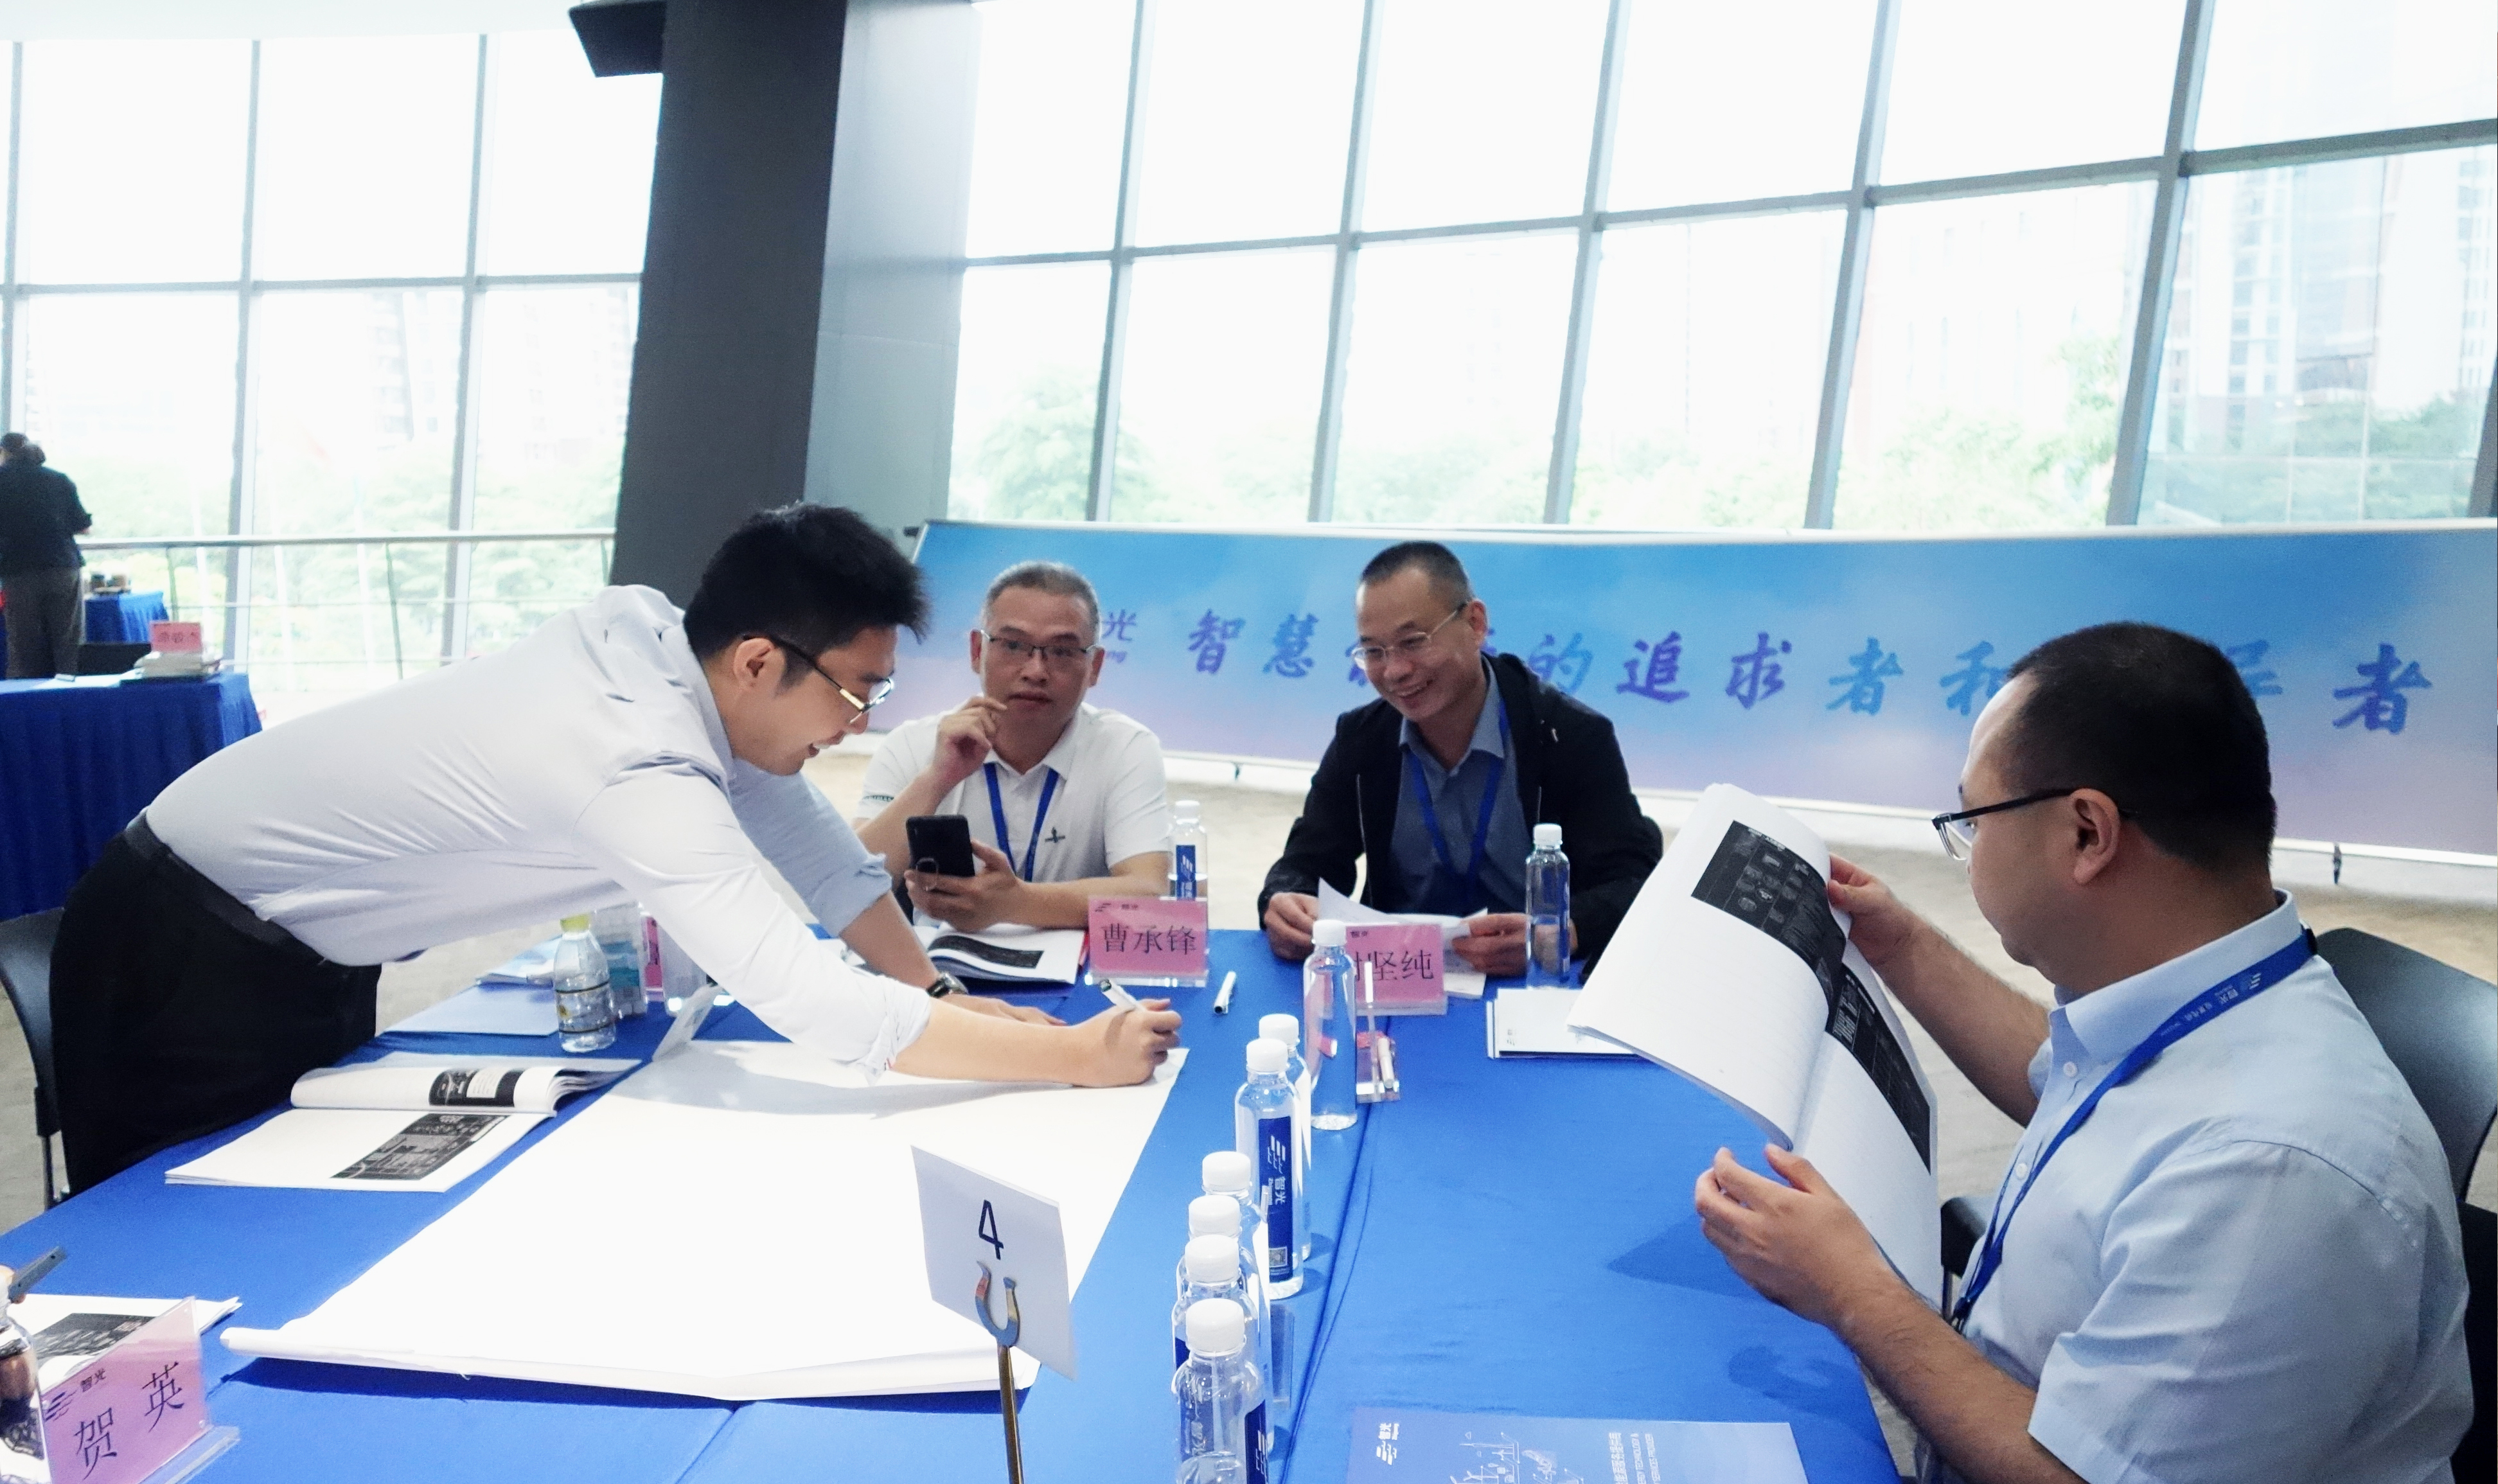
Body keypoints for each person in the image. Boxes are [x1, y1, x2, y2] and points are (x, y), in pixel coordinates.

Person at [50, 505, 1181, 1190]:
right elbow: (813, 1003)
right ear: (758, 661)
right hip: (183, 941)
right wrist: (1073, 1060)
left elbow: (825, 861)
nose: (860, 723)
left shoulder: (678, 661)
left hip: (300, 941)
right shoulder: (632, 755)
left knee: (300, 1184)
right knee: (189, 1220)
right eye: (856, 692)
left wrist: (934, 988)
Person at [1693, 623, 2470, 1484]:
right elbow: (2087, 1089)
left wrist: (1852, 1292)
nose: (1967, 854)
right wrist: (1901, 945)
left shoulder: (2271, 1171)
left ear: (2088, 834)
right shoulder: (2216, 1002)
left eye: (1973, 820)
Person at [1259, 541, 1662, 976]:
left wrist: (1561, 932)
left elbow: (1633, 882)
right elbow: (1308, 863)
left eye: (1413, 642)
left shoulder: (1567, 736)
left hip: (1532, 981)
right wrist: (1284, 899)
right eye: (1374, 651)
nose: (1394, 671)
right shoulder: (1362, 739)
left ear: (1475, 623)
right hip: (1400, 976)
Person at [854, 561, 1170, 930]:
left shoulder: (1125, 749)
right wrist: (936, 779)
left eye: (1062, 651)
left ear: (1095, 667)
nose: (1035, 671)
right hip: (941, 960)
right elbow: (849, 882)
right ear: (977, 651)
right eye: (1014, 645)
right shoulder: (912, 746)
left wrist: (1015, 903)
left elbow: (1150, 893)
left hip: (1078, 963)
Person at [0, 433, 92, 678]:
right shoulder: (58, 479)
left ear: (4, 453)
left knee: (24, 644)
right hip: (63, 566)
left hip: (18, 570)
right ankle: (70, 689)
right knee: (68, 641)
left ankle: (25, 696)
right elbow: (83, 526)